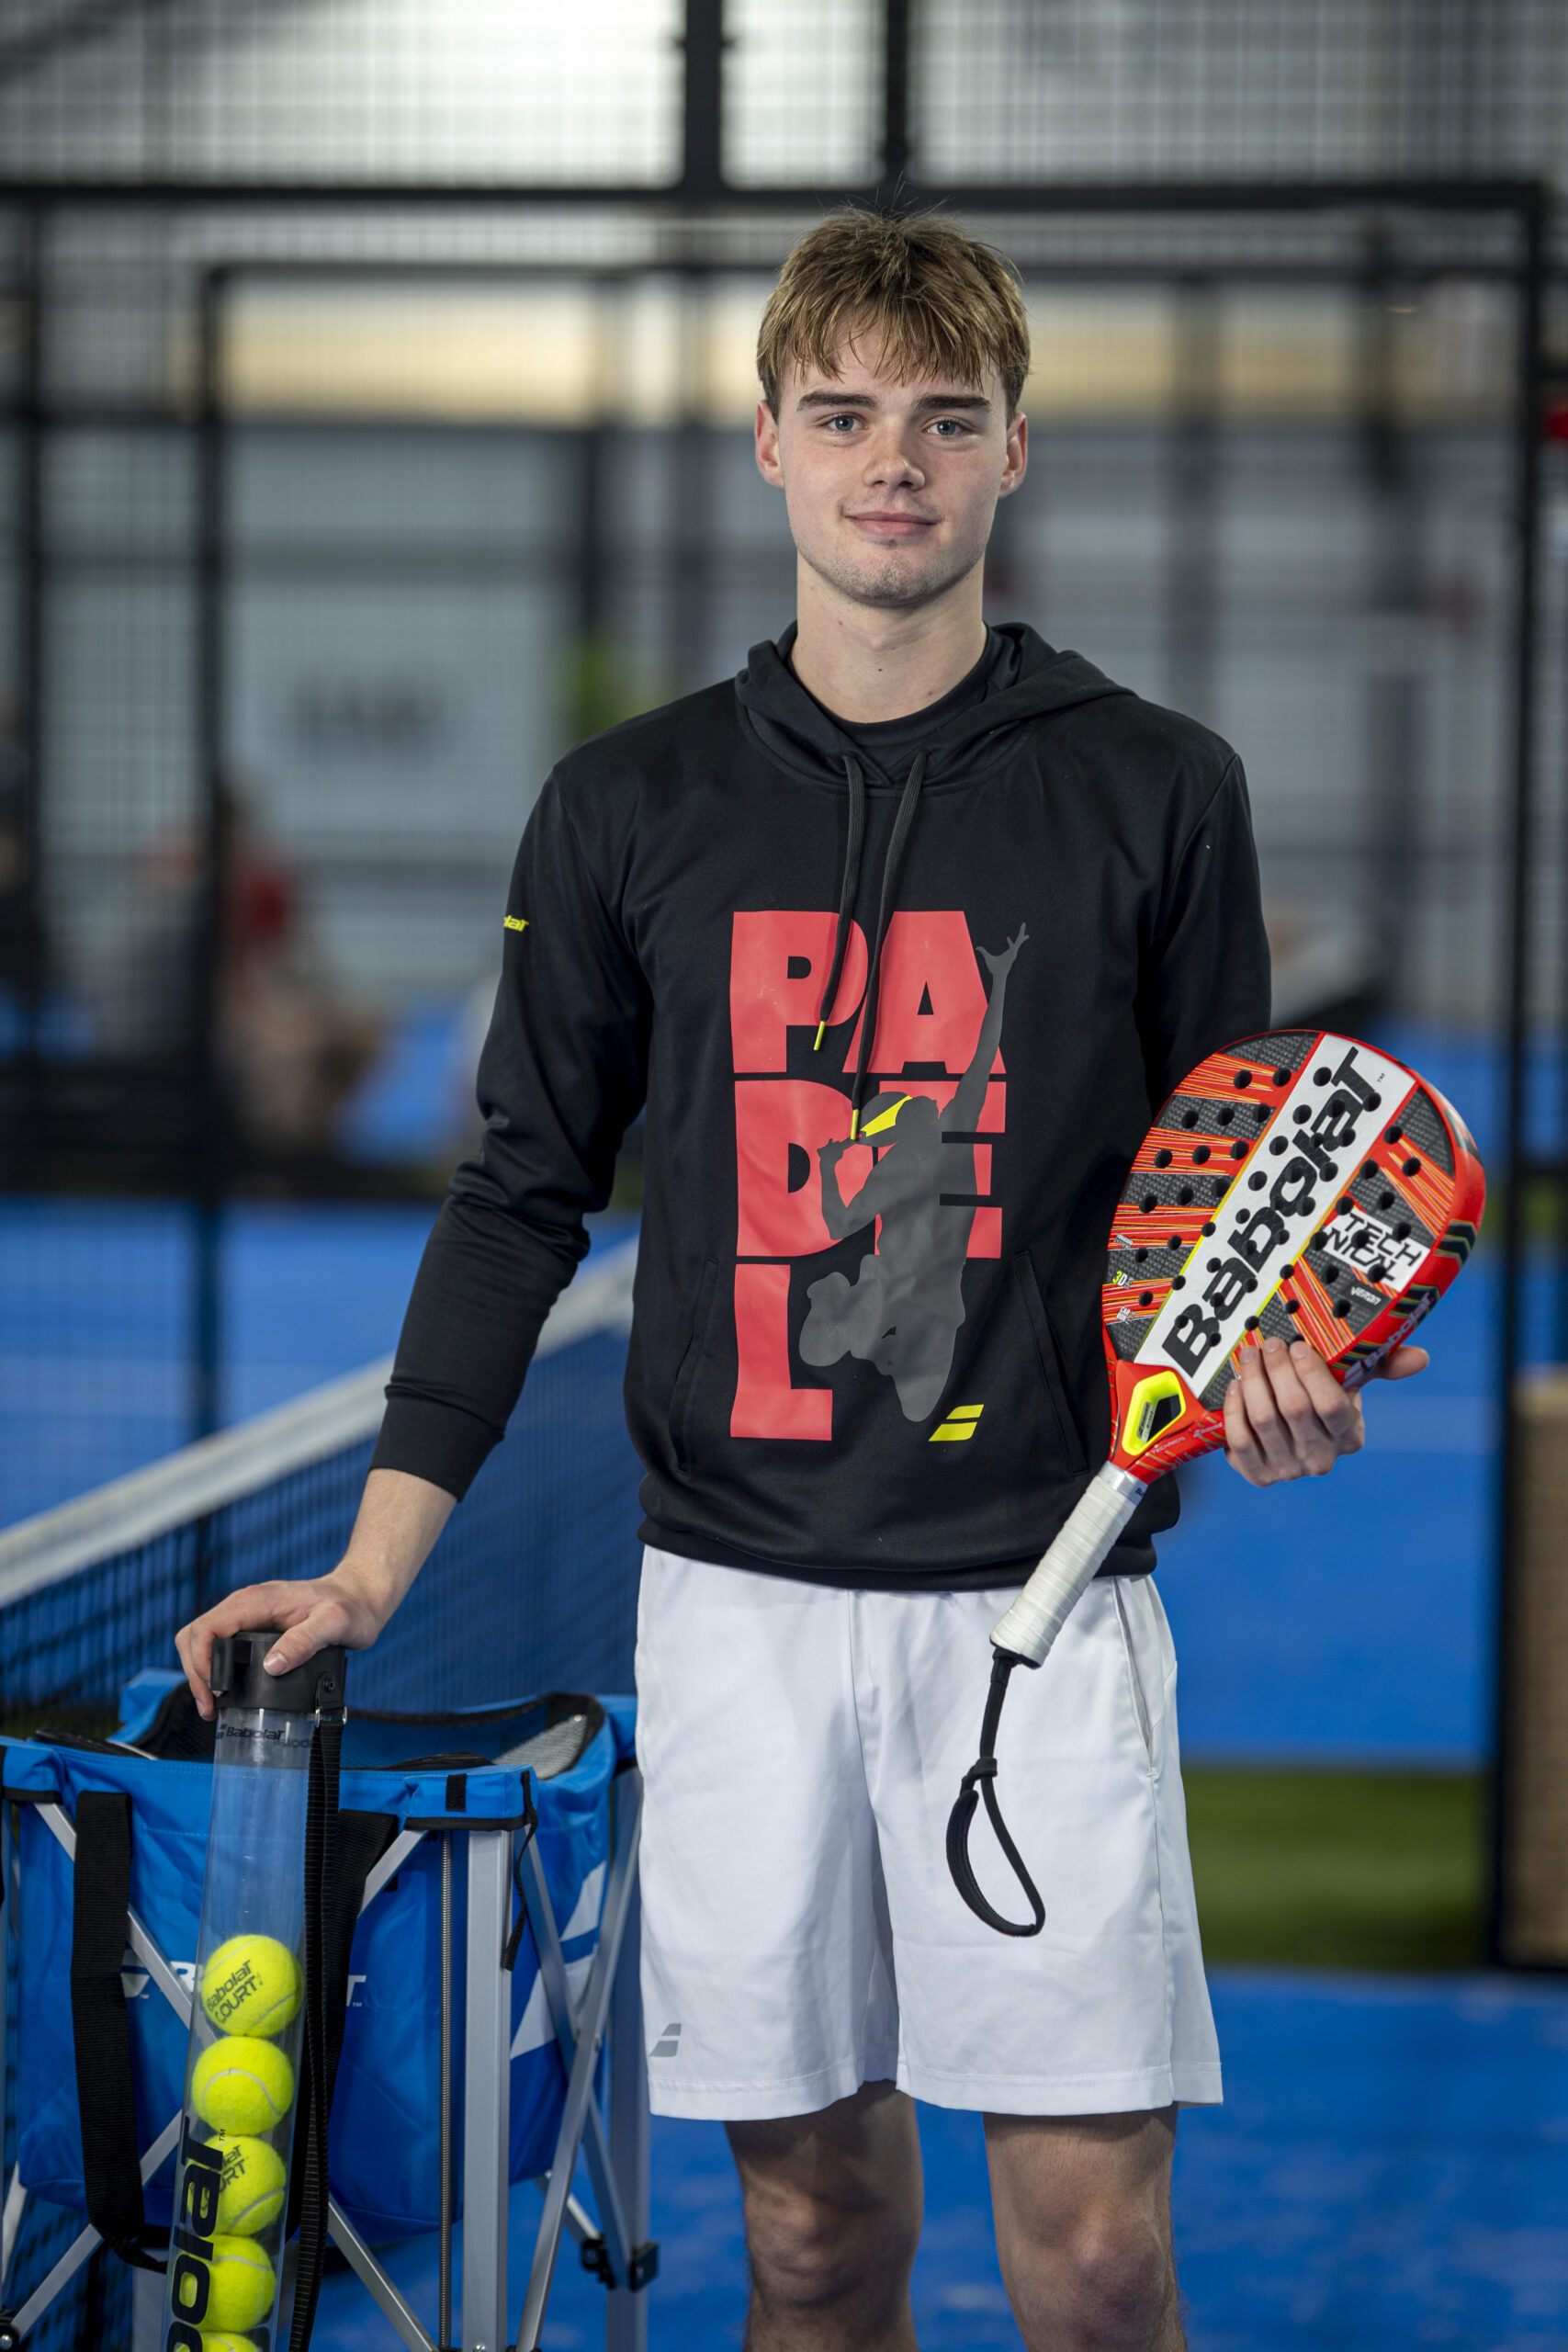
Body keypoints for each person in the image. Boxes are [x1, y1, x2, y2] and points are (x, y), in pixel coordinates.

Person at [177, 213, 1427, 2352]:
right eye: (842, 414)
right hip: (736, 1609)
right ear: (765, 440)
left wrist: (1276, 1370)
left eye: (943, 421)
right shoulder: (621, 809)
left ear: (1011, 453)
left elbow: (1231, 1200)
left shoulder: (1155, 792)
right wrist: (374, 1574)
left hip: (1039, 1604)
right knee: (811, 2246)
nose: (891, 464)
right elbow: (514, 1197)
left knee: (1102, 2257)